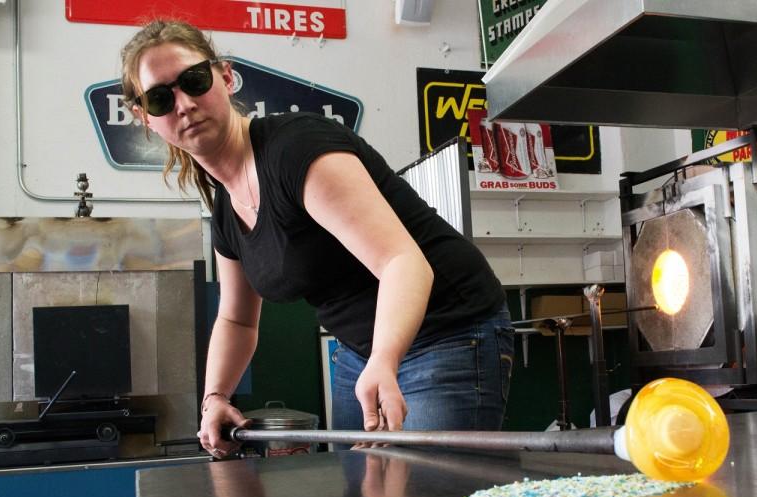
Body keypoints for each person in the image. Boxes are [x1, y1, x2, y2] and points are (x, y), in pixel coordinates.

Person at [120, 21, 514, 458]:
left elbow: (403, 261)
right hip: (358, 356)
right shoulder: (226, 212)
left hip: (447, 332)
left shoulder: (295, 150)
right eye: (161, 97)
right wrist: (215, 398)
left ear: (226, 77)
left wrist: (385, 360)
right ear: (145, 118)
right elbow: (237, 320)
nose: (185, 103)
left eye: (194, 80)